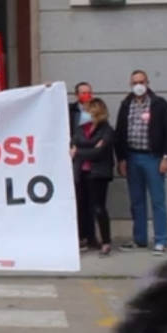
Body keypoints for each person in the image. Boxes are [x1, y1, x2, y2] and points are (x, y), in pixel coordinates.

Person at [114, 70, 167, 255]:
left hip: (154, 158)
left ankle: (161, 240)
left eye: (141, 81)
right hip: (133, 157)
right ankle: (139, 238)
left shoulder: (159, 104)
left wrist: (166, 157)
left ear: (148, 82)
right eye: (135, 82)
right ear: (130, 84)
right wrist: (122, 159)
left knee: (158, 200)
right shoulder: (126, 105)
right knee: (137, 201)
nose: (138, 85)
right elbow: (120, 134)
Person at [71, 98, 115, 256]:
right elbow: (73, 144)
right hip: (81, 172)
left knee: (98, 207)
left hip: (98, 173)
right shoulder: (81, 128)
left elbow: (100, 152)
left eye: (88, 110)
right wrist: (88, 149)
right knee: (82, 207)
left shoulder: (107, 130)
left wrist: (80, 152)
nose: (85, 113)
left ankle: (106, 241)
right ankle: (85, 237)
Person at [69, 81, 93, 248]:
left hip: (92, 161)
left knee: (92, 201)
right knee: (78, 200)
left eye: (88, 92)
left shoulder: (97, 109)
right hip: (74, 160)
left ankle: (91, 237)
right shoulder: (70, 111)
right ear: (76, 94)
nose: (86, 95)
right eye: (82, 92)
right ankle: (79, 236)